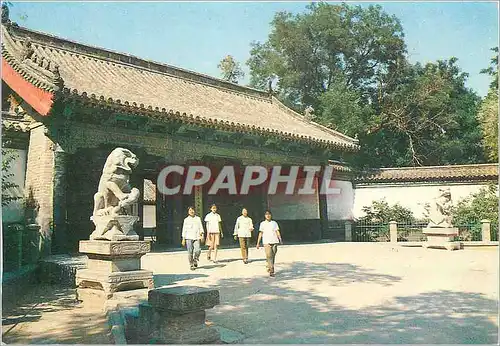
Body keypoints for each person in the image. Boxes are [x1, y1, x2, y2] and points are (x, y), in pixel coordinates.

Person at [256, 210, 282, 277]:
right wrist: (258, 243)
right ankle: (271, 270)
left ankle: (269, 265)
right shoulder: (262, 223)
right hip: (266, 242)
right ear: (265, 216)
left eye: (269, 214)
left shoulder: (274, 223)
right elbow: (260, 233)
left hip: (274, 241)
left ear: (271, 215)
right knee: (269, 255)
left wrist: (280, 239)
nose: (268, 215)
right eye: (266, 214)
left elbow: (277, 231)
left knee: (273, 255)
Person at [181, 206, 205, 271]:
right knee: (190, 252)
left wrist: (202, 235)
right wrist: (183, 239)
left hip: (197, 237)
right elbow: (184, 230)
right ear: (188, 212)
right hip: (188, 237)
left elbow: (201, 227)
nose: (192, 211)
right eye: (190, 210)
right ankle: (191, 264)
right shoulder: (186, 220)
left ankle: (195, 260)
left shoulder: (198, 219)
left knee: (198, 250)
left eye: (193, 210)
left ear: (195, 211)